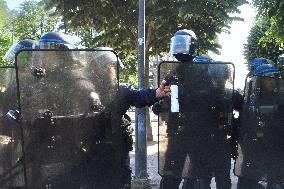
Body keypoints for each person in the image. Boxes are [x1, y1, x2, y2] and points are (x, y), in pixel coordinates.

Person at [36, 32, 171, 189]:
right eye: (109, 67)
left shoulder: (121, 90)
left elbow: (139, 97)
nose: (112, 70)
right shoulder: (84, 88)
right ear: (99, 68)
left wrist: (157, 93)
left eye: (112, 67)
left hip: (116, 156)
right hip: (89, 156)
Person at [154, 29, 236, 189]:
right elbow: (167, 104)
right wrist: (160, 105)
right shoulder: (173, 75)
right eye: (177, 44)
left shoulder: (204, 74)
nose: (180, 48)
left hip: (199, 136)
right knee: (172, 177)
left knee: (197, 177)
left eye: (183, 44)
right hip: (179, 134)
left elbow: (214, 100)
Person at [235, 58, 284, 189]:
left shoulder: (280, 98)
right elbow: (244, 120)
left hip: (274, 147)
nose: (272, 80)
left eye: (274, 77)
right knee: (245, 182)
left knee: (276, 182)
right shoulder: (251, 98)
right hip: (253, 147)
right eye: (268, 77)